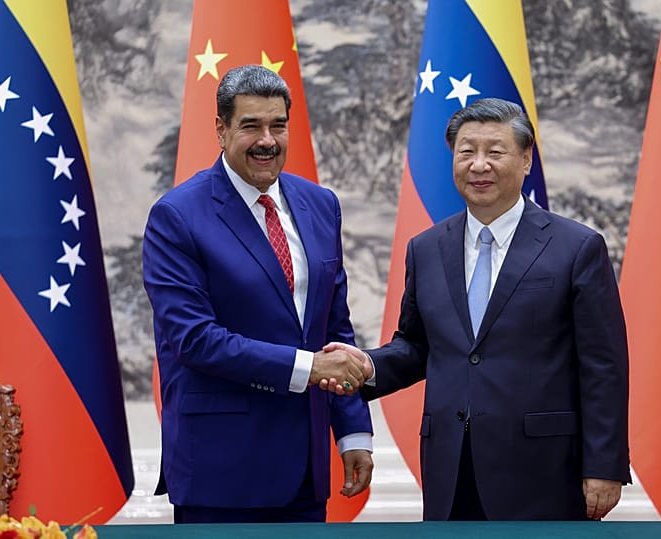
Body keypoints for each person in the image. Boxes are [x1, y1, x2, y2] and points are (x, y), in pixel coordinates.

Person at [323, 97, 630, 521]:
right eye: (466, 151)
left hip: (544, 468)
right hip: (451, 464)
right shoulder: (427, 248)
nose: (479, 165)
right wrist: (367, 366)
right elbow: (417, 346)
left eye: (494, 152)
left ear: (525, 159)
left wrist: (604, 466)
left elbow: (603, 366)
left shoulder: (576, 248)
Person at [142, 64, 373, 524]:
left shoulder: (321, 205)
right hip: (222, 472)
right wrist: (310, 368)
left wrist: (352, 433)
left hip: (307, 474)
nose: (267, 140)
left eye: (278, 125)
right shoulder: (176, 217)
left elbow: (334, 329)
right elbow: (195, 339)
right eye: (251, 126)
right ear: (221, 129)